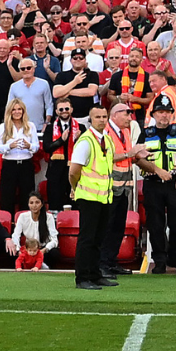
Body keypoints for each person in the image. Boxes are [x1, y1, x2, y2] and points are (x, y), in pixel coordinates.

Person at [135, 95, 176, 273]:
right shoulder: (145, 134)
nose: (164, 116)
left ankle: (175, 256)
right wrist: (156, 170)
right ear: (153, 114)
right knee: (155, 224)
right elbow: (137, 158)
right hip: (153, 183)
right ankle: (160, 260)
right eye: (160, 112)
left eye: (167, 112)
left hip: (175, 183)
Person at [69, 103, 119, 290]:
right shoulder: (86, 141)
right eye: (97, 117)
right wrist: (76, 188)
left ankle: (95, 274)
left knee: (98, 239)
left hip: (104, 197)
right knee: (87, 239)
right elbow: (74, 171)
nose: (101, 120)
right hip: (89, 197)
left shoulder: (106, 139)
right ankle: (82, 277)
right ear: (91, 119)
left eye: (104, 117)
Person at [100, 102, 143, 278]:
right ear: (115, 115)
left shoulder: (125, 131)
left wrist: (139, 155)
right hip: (109, 188)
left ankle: (111, 261)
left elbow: (127, 155)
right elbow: (107, 157)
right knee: (107, 227)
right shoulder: (106, 132)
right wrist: (130, 154)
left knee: (118, 226)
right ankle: (102, 263)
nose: (129, 118)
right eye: (126, 114)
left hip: (123, 188)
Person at [0, 99, 39, 216]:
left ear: (23, 111)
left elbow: (36, 146)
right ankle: (7, 224)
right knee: (7, 196)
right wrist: (10, 146)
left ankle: (27, 223)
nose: (17, 112)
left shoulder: (30, 126)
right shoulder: (3, 127)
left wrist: (29, 145)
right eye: (14, 109)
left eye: (19, 109)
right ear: (10, 111)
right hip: (10, 164)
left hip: (26, 164)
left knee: (27, 195)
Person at [40, 98, 81, 210]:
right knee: (55, 202)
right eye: (61, 109)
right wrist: (60, 141)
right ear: (57, 111)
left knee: (75, 203)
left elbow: (86, 150)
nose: (64, 111)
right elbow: (47, 148)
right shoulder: (49, 128)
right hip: (56, 172)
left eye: (67, 108)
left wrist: (78, 140)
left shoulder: (80, 127)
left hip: (74, 170)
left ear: (71, 109)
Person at [12, 192, 60, 270]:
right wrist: (18, 251)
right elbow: (16, 235)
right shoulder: (23, 216)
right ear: (28, 204)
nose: (34, 205)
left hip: (43, 249)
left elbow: (54, 240)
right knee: (11, 252)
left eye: (37, 202)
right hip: (28, 249)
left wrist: (44, 250)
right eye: (31, 203)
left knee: (54, 253)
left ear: (41, 204)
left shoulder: (49, 217)